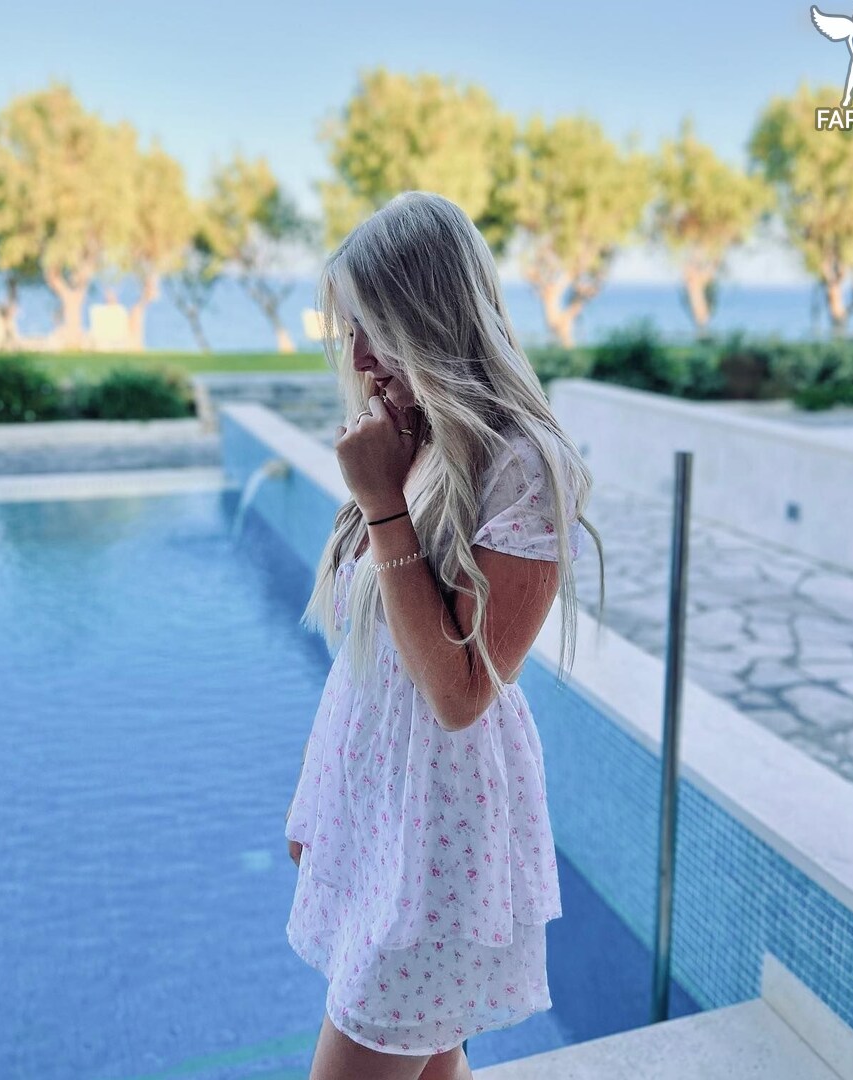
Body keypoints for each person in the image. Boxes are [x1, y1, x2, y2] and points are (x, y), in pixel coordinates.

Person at [284, 191, 605, 1080]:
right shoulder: (414, 438)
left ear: (428, 317)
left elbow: (460, 694)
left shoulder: (521, 464)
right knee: (427, 1066)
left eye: (373, 327)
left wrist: (381, 503)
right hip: (384, 813)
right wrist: (320, 798)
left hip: (438, 836)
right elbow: (370, 666)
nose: (356, 356)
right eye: (349, 328)